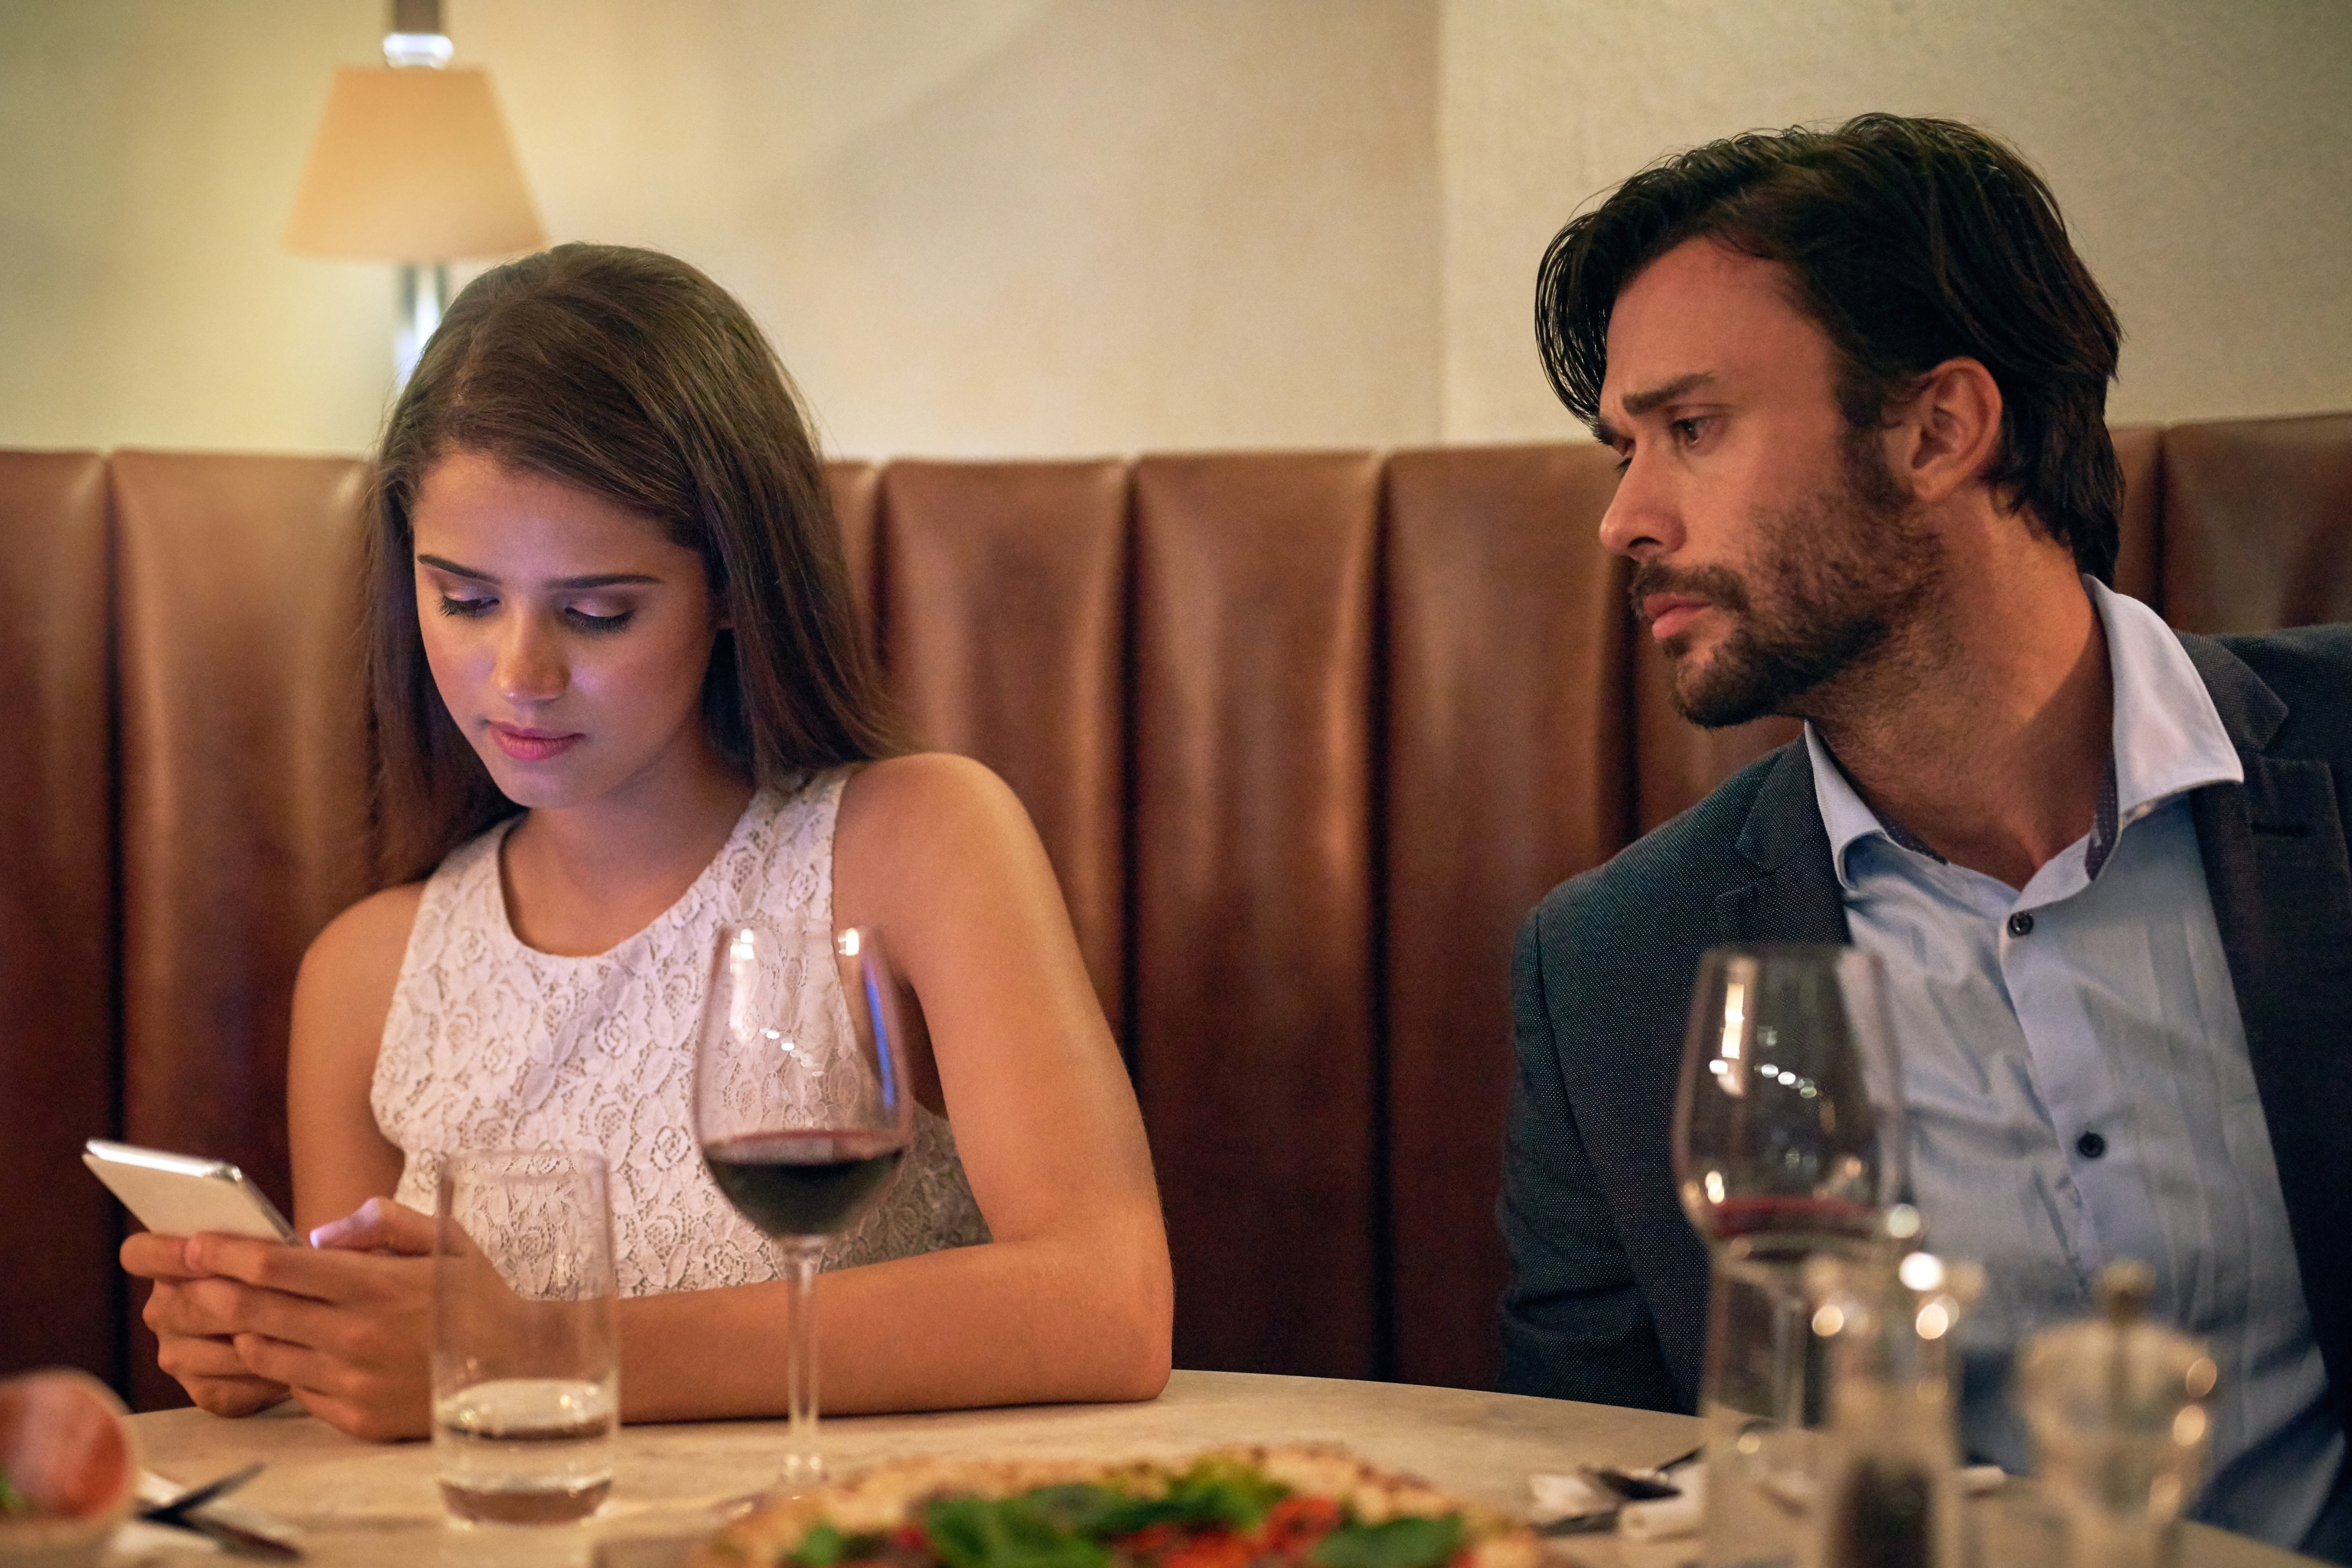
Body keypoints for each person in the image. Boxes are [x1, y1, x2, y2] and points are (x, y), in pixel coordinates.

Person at [122, 243, 1173, 1440]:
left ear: (734, 587)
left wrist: (541, 1346)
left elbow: (1106, 1300)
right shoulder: (367, 971)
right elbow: (397, 1405)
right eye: (463, 600)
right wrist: (291, 1342)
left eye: (597, 611)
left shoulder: (917, 843)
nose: (519, 675)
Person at [1496, 114, 2351, 1560]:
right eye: (1618, 450)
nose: (1622, 519)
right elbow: (1593, 1478)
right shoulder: (1612, 969)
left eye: (1689, 429)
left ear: (1937, 428)